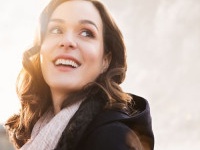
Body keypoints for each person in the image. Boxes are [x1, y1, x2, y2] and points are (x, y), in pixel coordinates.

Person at [5, 0, 154, 149]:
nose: (67, 41)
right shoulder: (36, 133)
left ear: (105, 60)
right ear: (40, 49)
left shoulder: (112, 138)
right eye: (56, 30)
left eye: (86, 33)